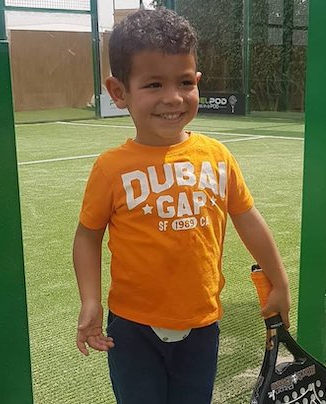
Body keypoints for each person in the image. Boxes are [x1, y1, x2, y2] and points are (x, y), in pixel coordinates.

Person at [73, 7, 291, 404]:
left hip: (202, 326)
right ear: (119, 92)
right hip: (132, 329)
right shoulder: (110, 168)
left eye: (185, 82)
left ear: (198, 83)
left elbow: (248, 219)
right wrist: (91, 300)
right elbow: (88, 236)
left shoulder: (217, 156)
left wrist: (280, 281)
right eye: (153, 84)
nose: (173, 98)